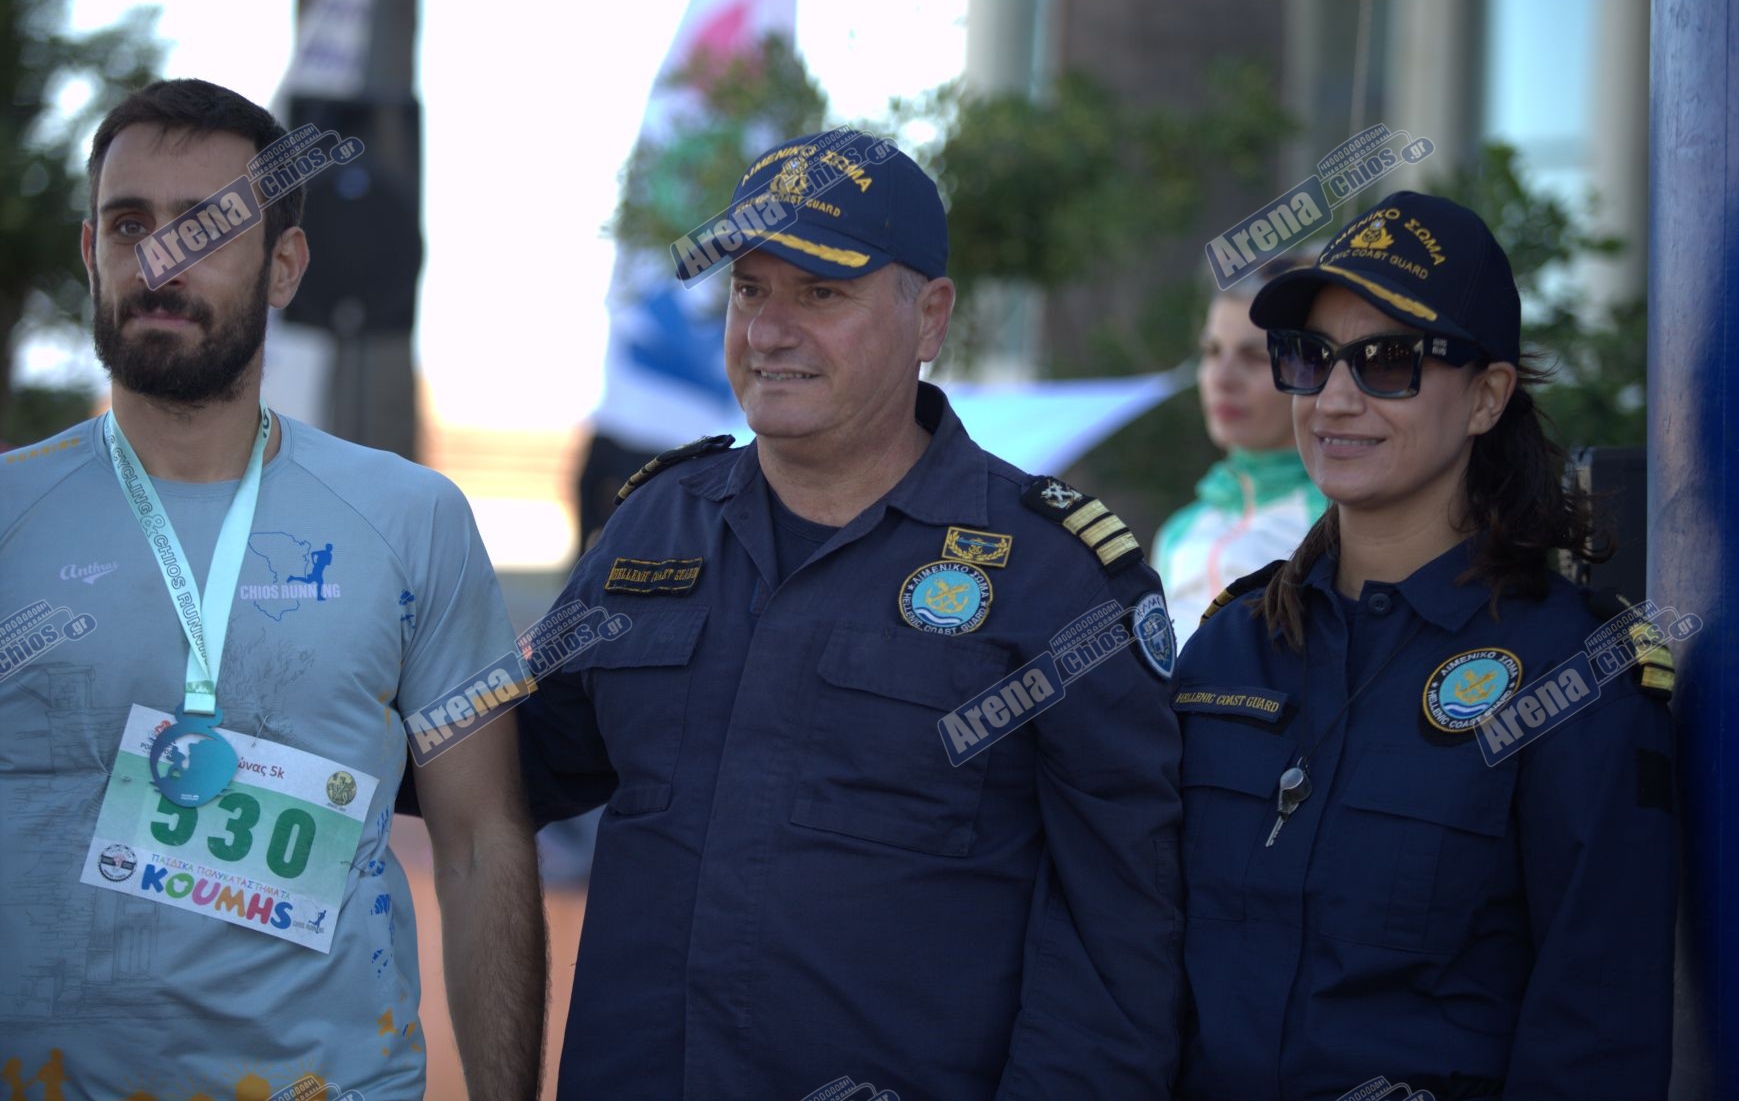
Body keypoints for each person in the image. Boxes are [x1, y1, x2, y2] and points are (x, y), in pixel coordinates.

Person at [516, 129, 1184, 1099]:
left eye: (820, 293)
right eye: (750, 290)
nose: (768, 331)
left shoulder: (1058, 579)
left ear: (929, 317)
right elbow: (513, 765)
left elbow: (1120, 937)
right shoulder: (655, 525)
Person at [0, 79, 544, 1097]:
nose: (158, 261)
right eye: (128, 225)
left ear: (283, 266)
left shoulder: (412, 519)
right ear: (90, 253)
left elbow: (480, 844)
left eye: (204, 228)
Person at [1172, 192, 1677, 1100]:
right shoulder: (1226, 651)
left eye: (1388, 362)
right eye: (1310, 357)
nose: (1334, 398)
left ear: (1485, 396)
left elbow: (1595, 1027)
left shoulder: (1575, 672)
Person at [1152, 253, 1327, 649]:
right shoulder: (1179, 530)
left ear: (1315, 369)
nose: (1222, 377)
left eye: (1255, 357)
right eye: (1212, 351)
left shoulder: (1344, 519)